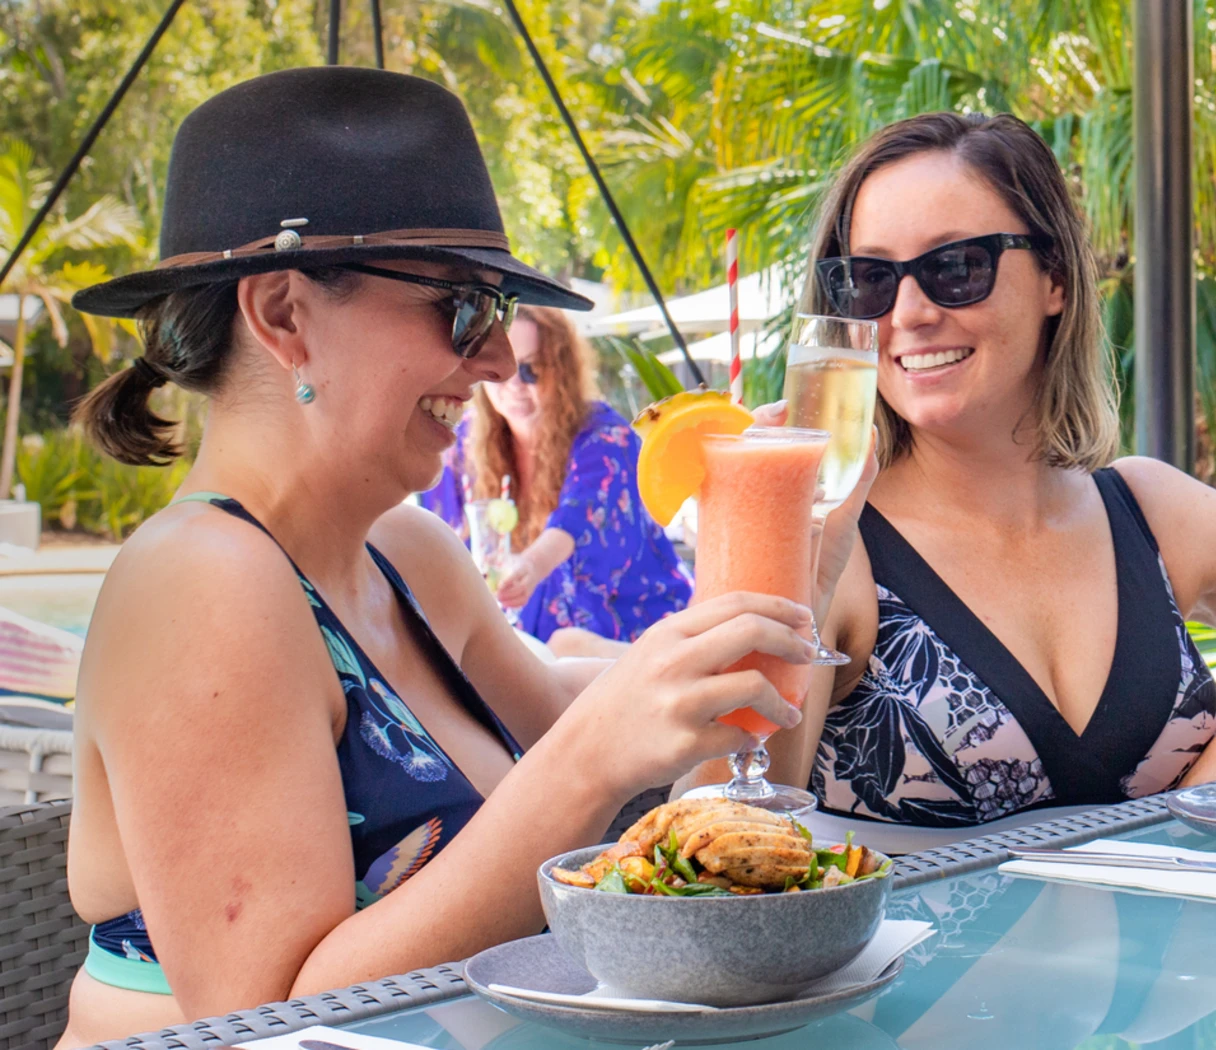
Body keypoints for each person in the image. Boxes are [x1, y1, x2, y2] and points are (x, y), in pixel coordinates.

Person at [57, 67, 862, 1047]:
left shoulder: (407, 555)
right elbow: (261, 1020)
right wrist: (584, 763)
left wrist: (789, 575)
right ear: (281, 315)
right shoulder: (194, 586)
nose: (494, 361)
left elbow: (686, 763)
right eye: (461, 308)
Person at [753, 111, 1216, 827]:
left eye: (955, 268)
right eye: (872, 279)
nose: (908, 312)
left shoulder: (1149, 511)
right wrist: (787, 580)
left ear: (1055, 277)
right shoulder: (835, 550)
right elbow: (717, 840)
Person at [422, 306, 692, 642]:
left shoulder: (606, 436)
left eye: (532, 369)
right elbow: (437, 528)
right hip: (527, 645)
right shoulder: (465, 443)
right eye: (501, 372)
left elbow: (575, 522)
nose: (515, 385)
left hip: (631, 636)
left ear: (561, 369)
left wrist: (530, 567)